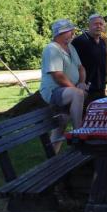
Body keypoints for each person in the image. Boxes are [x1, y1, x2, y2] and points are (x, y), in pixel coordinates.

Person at [40, 19, 88, 151]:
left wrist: (82, 83)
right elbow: (58, 76)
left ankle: (51, 158)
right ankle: (79, 133)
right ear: (60, 33)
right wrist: (76, 89)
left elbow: (81, 68)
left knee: (61, 126)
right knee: (78, 94)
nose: (72, 33)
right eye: (70, 31)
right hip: (53, 91)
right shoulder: (52, 49)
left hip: (67, 92)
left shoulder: (71, 47)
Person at [71, 14, 107, 107]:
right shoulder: (79, 41)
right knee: (86, 113)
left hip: (100, 85)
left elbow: (104, 60)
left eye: (101, 24)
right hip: (86, 87)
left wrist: (106, 76)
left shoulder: (102, 41)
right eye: (96, 24)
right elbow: (73, 64)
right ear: (89, 25)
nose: (99, 26)